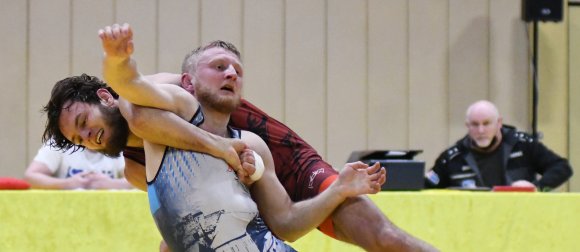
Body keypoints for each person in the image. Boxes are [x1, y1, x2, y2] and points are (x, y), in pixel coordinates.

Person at [42, 23, 385, 251]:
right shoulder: (138, 166)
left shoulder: (163, 104)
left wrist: (117, 62)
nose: (88, 137)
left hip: (280, 157)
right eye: (79, 139)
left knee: (385, 237)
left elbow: (131, 87)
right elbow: (205, 221)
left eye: (84, 123)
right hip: (246, 189)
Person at [117, 42, 439, 252]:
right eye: (219, 67)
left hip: (294, 168)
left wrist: (339, 188)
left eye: (237, 71)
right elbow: (131, 92)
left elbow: (131, 92)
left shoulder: (234, 134)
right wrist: (117, 61)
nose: (231, 73)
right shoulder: (149, 140)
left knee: (387, 239)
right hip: (257, 200)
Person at [425, 100, 573, 191]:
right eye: (475, 125)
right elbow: (427, 185)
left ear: (499, 123)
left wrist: (537, 188)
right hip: (472, 224)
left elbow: (562, 168)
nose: (481, 130)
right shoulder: (452, 158)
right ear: (467, 126)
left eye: (487, 123)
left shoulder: (523, 145)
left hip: (521, 218)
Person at [24, 139, 131, 189]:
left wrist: (110, 183)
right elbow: (31, 176)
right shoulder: (59, 142)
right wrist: (67, 184)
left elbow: (139, 180)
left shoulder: (117, 143)